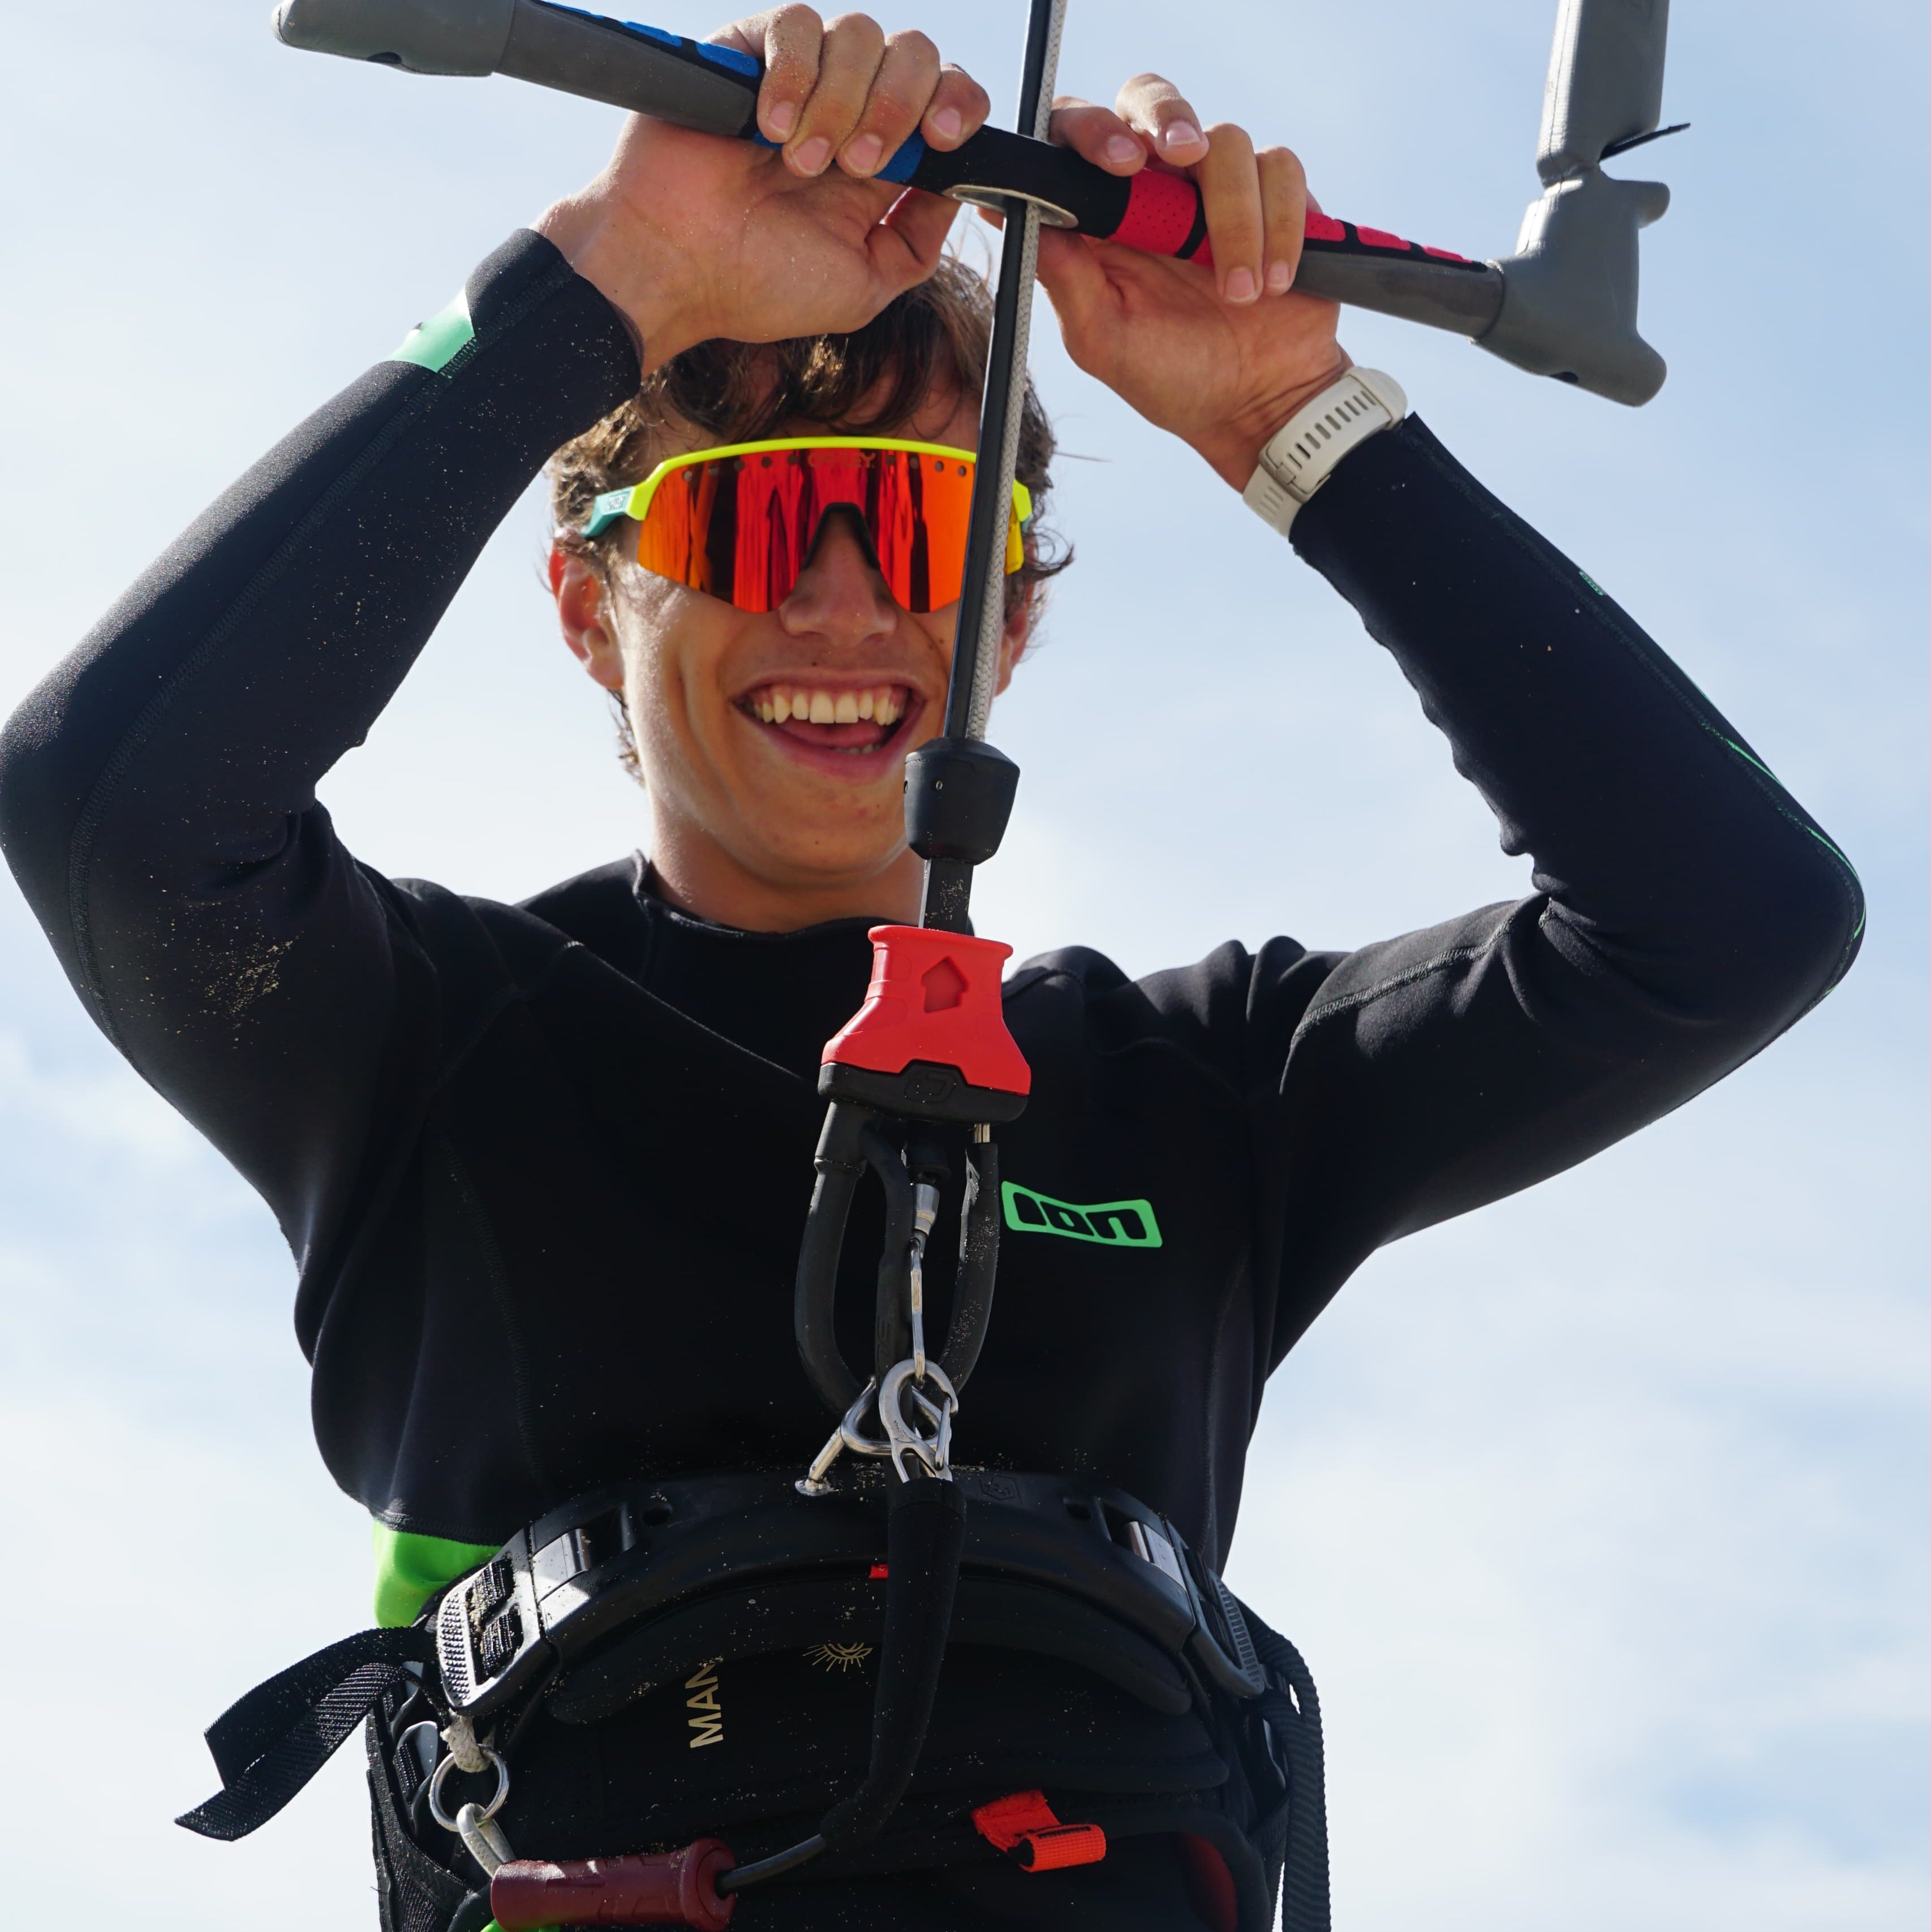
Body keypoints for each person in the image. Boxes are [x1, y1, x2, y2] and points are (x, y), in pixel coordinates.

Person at [0, 9, 1863, 1929]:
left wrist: (1288, 421)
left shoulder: (1202, 1084)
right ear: (586, 604)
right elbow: (108, 807)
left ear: (1016, 613)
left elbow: (1732, 921)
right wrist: (616, 275)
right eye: (750, 520)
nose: (842, 604)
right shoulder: (426, 1048)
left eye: (921, 527)